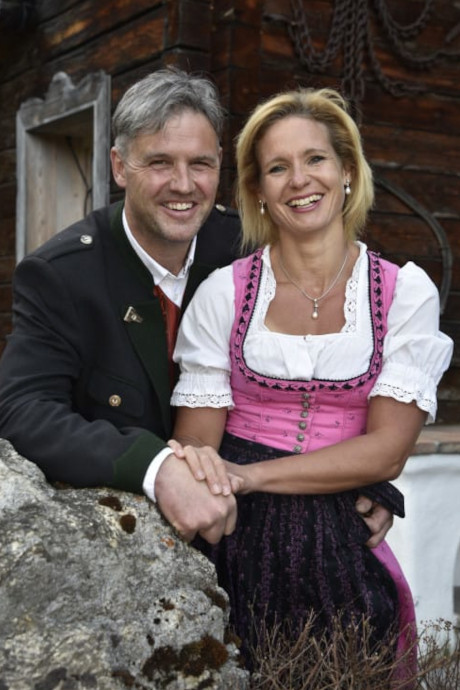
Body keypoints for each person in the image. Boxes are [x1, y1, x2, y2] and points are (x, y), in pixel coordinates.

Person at [0, 69, 391, 548]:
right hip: (124, 544)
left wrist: (361, 479)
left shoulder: (246, 250)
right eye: (160, 163)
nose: (183, 185)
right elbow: (23, 411)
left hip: (251, 529)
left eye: (200, 164)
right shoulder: (62, 275)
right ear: (120, 167)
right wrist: (155, 466)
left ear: (220, 164)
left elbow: (316, 380)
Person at [169, 87, 453, 673]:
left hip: (342, 541)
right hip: (236, 542)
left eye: (315, 159)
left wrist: (249, 476)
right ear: (258, 191)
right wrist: (225, 480)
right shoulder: (223, 294)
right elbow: (197, 446)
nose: (299, 180)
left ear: (347, 170)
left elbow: (387, 450)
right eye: (278, 168)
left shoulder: (403, 293)